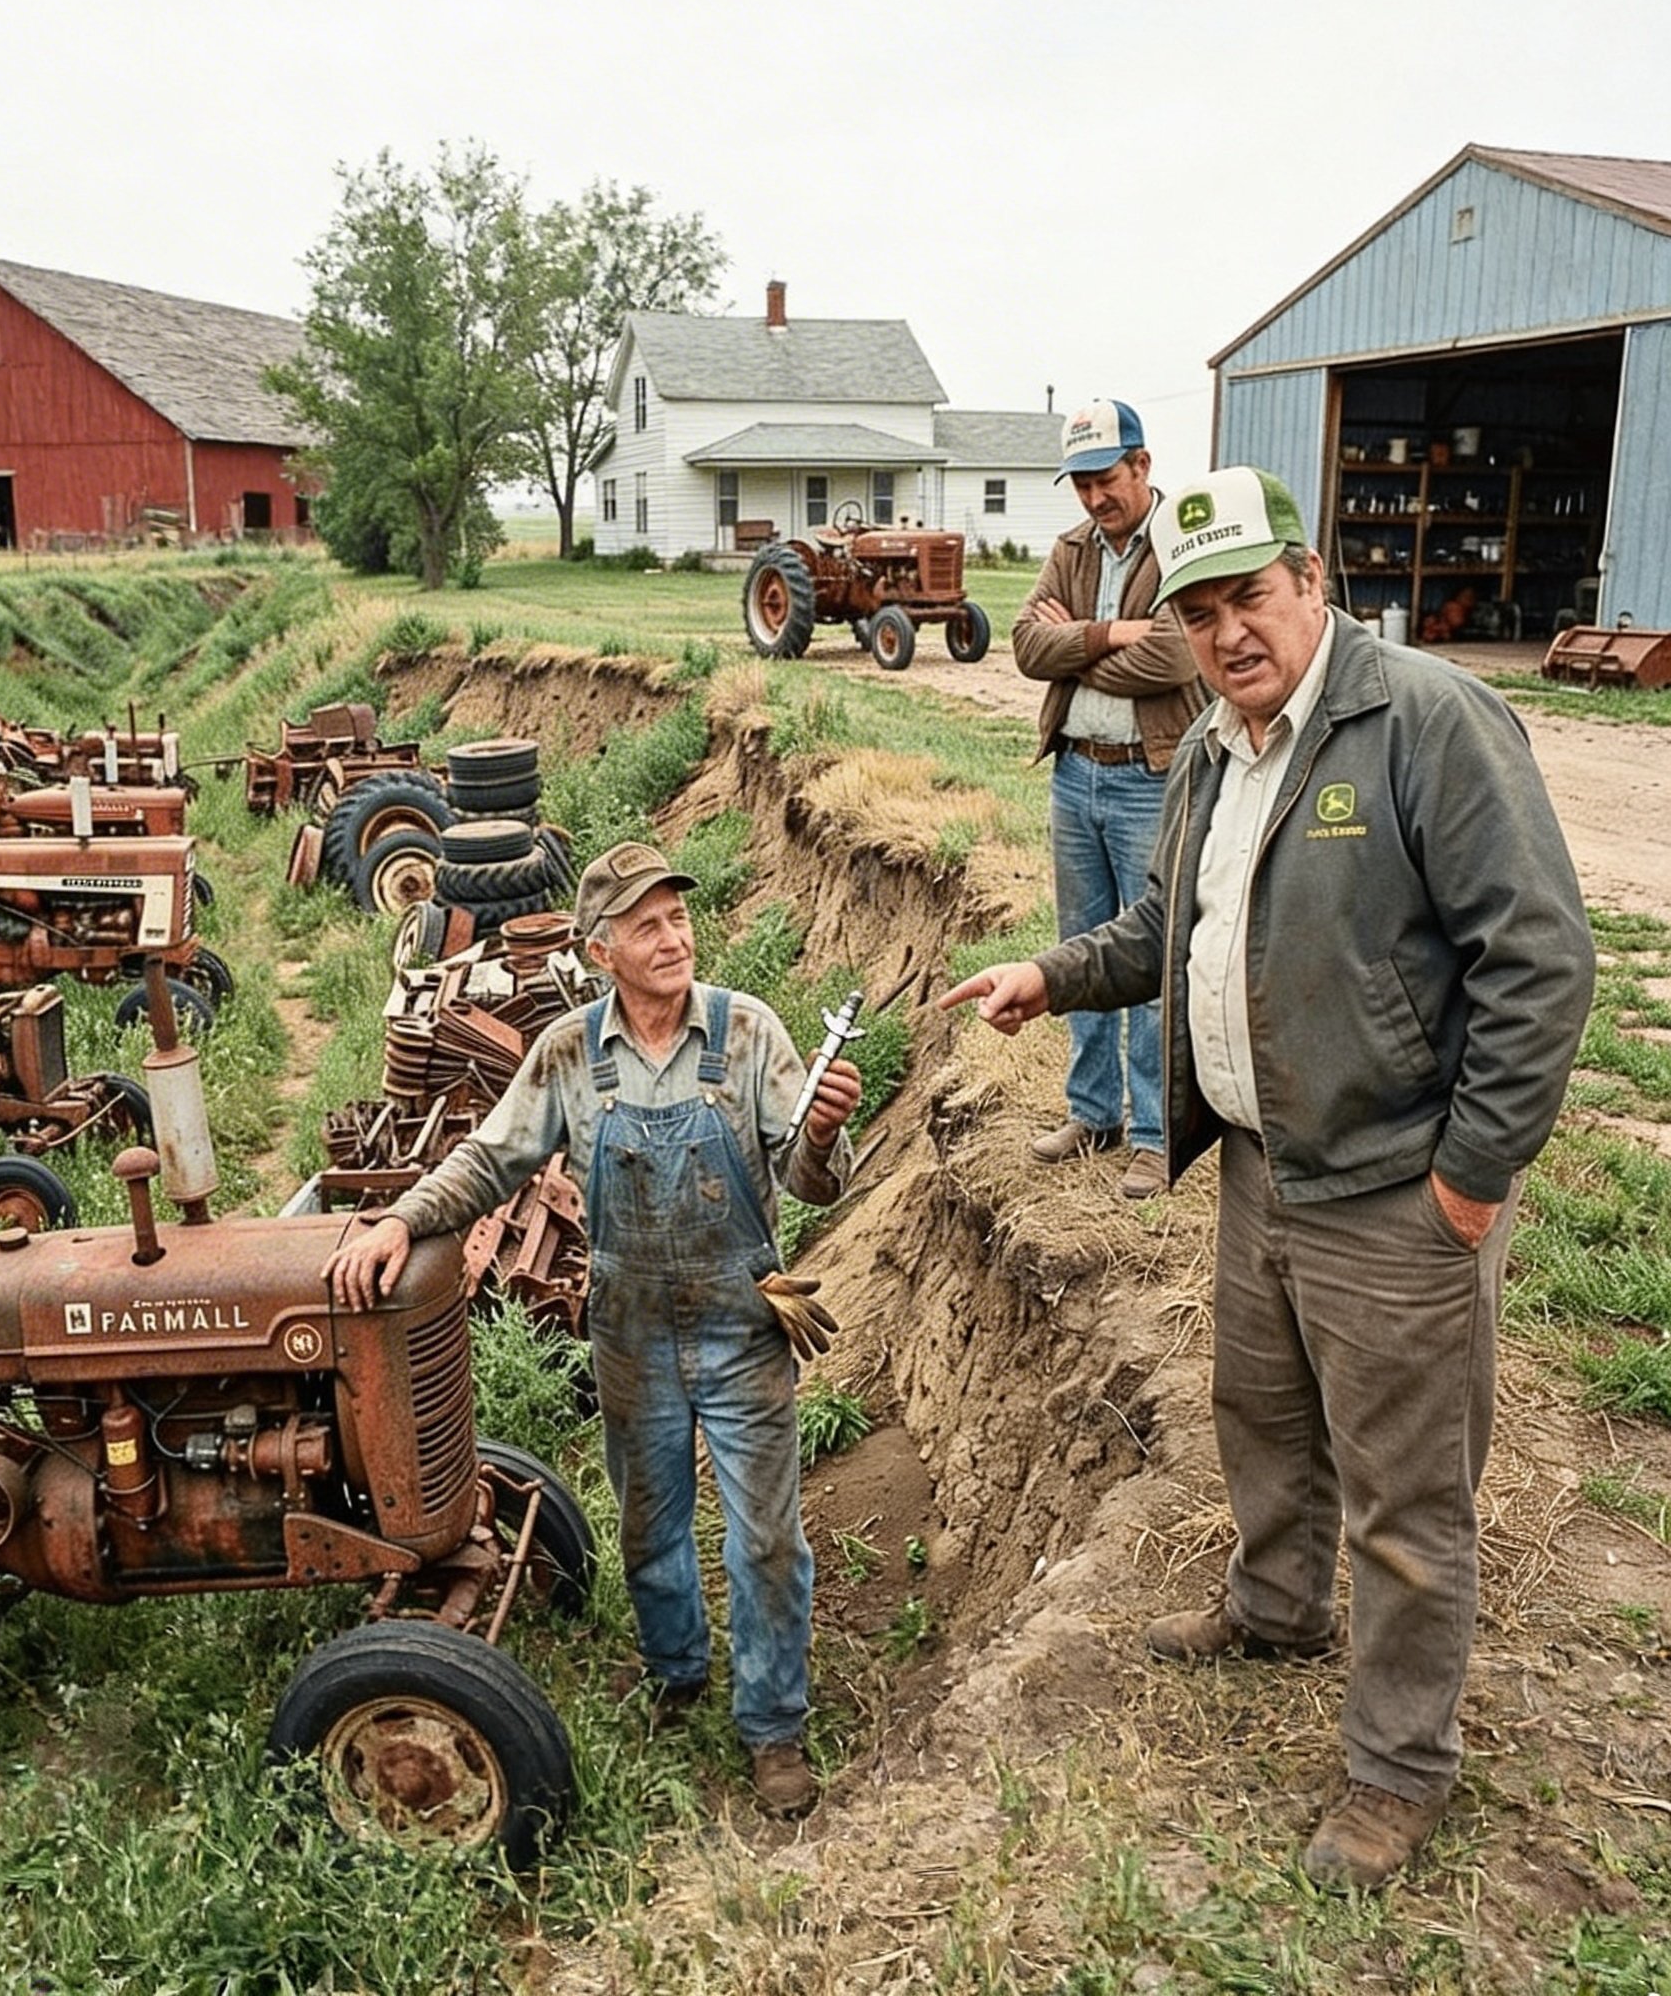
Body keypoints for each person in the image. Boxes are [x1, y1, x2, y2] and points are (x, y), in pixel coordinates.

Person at [939, 466, 1593, 1887]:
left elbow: (1541, 965)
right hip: (1259, 1164)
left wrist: (1470, 1178)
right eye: (1198, 611)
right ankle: (1278, 1604)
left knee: (1405, 1497)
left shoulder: (1423, 720)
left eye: (1248, 597)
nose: (1227, 632)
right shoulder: (1209, 748)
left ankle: (1397, 1766)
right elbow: (1165, 927)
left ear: (1309, 580)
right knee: (1262, 1414)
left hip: (1395, 1186)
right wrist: (1050, 975)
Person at [325, 841, 862, 1820]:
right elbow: (490, 1160)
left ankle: (772, 1724)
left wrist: (822, 1133)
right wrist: (401, 1218)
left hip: (743, 1322)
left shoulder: (747, 1031)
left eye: (678, 917)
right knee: (649, 1529)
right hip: (630, 1330)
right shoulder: (570, 1052)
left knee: (768, 1542)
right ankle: (675, 1671)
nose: (673, 938)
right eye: (646, 926)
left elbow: (807, 1179)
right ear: (600, 951)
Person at [1011, 399, 1208, 1201]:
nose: (1095, 497)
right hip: (1076, 773)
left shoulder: (1181, 545)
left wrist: (1077, 646)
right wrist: (1110, 634)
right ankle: (1093, 1114)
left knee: (1152, 956)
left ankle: (1156, 1136)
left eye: (1106, 479)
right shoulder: (1071, 549)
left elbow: (1175, 657)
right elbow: (1027, 646)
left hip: (1150, 777)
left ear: (1142, 466)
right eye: (1083, 484)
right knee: (1080, 948)